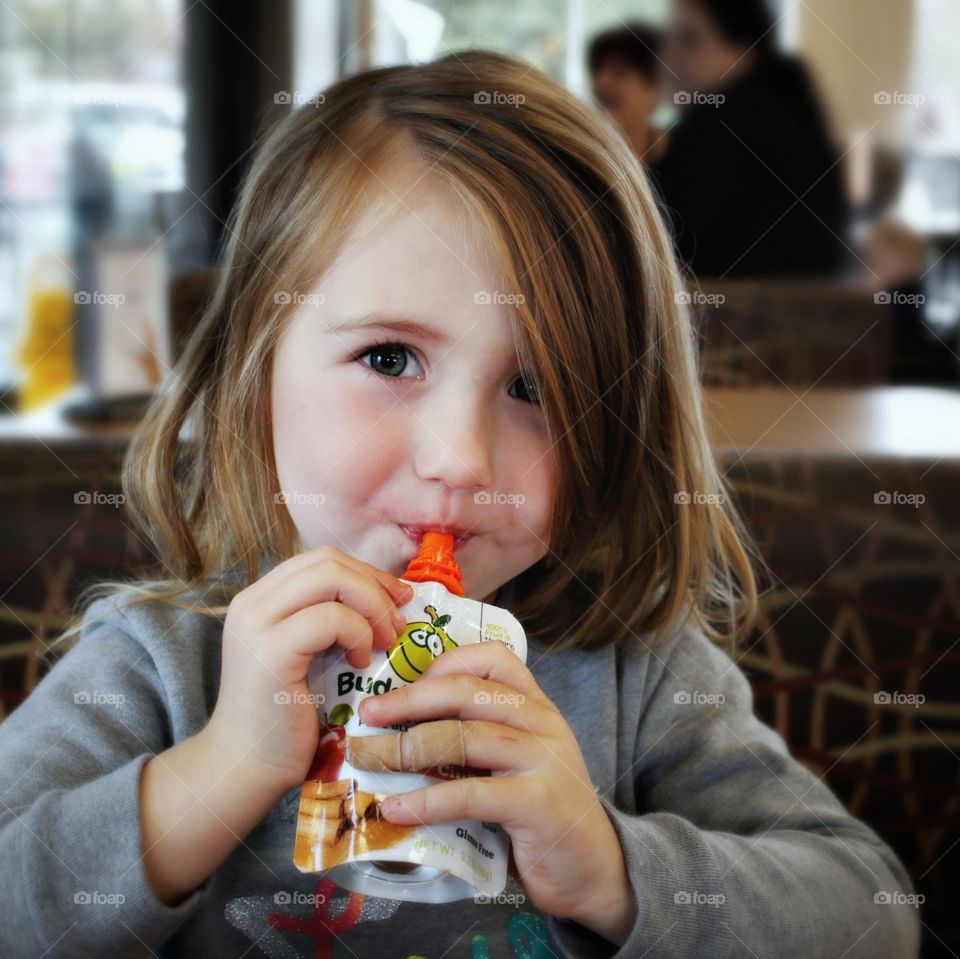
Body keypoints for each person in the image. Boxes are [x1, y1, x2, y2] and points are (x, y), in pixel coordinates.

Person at [0, 51, 919, 958]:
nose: (459, 459)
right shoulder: (157, 665)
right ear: (256, 363)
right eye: (390, 358)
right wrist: (222, 769)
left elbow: (870, 914)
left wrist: (609, 866)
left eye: (540, 388)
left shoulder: (632, 675)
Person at [651, 0, 851, 278]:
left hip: (738, 312)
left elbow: (658, 234)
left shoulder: (733, 118)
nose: (668, 55)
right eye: (668, 38)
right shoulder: (777, 108)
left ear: (744, 52)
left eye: (690, 41)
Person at [587, 23, 669, 165]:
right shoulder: (584, 152)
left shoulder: (688, 156)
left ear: (655, 86)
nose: (601, 82)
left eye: (619, 71)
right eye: (597, 71)